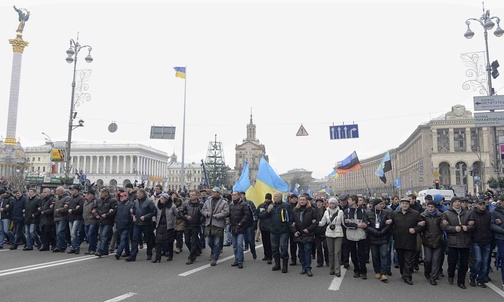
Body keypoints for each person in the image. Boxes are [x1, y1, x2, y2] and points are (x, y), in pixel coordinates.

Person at [441, 196, 474, 289]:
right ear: (452, 203)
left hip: (465, 241)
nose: (457, 203)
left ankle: (461, 281)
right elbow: (443, 227)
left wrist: (467, 227)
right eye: (455, 202)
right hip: (453, 241)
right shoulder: (446, 213)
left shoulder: (468, 213)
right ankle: (450, 274)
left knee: (464, 263)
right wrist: (454, 228)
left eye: (459, 201)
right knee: (452, 261)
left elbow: (473, 225)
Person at [391, 197, 421, 285]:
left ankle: (408, 276)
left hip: (410, 240)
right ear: (401, 204)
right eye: (403, 203)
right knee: (401, 260)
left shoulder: (415, 214)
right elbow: (391, 225)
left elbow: (421, 225)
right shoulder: (395, 213)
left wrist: (415, 229)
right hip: (399, 240)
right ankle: (403, 273)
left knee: (409, 260)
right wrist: (394, 232)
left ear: (409, 204)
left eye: (406, 204)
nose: (404, 205)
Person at [263, 191, 294, 273]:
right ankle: (277, 264)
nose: (274, 198)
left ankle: (284, 265)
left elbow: (291, 216)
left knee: (283, 247)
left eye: (276, 196)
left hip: (283, 230)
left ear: (280, 197)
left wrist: (289, 226)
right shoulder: (271, 206)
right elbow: (263, 216)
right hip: (273, 230)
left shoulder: (286, 206)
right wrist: (268, 211)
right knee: (274, 248)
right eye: (274, 196)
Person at [291, 194, 319, 277]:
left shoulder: (312, 210)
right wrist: (294, 231)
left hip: (308, 234)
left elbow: (316, 222)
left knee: (307, 250)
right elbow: (291, 222)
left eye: (303, 200)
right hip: (299, 234)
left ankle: (308, 268)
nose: (302, 201)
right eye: (301, 200)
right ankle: (303, 267)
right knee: (301, 251)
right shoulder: (295, 210)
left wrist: (309, 229)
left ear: (307, 201)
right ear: (299, 201)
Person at [126, 188, 157, 262]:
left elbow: (154, 211)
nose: (137, 194)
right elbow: (132, 210)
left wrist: (146, 217)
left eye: (138, 193)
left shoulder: (149, 201)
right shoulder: (135, 201)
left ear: (142, 194)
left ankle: (149, 253)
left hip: (146, 223)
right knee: (134, 238)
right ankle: (133, 255)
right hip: (137, 223)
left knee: (148, 238)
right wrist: (133, 216)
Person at [365, 198, 392, 283]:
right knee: (375, 255)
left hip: (383, 237)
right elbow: (367, 225)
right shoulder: (368, 213)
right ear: (375, 205)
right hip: (373, 237)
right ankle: (377, 271)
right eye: (380, 204)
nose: (382, 205)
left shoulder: (386, 213)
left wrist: (382, 232)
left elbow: (389, 224)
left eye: (382, 204)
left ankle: (383, 273)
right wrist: (375, 232)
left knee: (383, 254)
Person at [418, 200, 444, 285]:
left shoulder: (440, 216)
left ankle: (433, 277)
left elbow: (443, 227)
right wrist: (419, 224)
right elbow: (420, 228)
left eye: (432, 207)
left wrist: (445, 224)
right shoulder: (423, 216)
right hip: (427, 241)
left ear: (435, 208)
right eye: (429, 207)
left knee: (436, 260)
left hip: (438, 240)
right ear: (426, 207)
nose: (430, 208)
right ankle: (427, 271)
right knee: (428, 260)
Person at [201, 187, 229, 266]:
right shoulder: (208, 201)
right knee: (209, 241)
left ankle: (214, 258)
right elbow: (203, 210)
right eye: (212, 192)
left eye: (215, 192)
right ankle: (214, 251)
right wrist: (207, 214)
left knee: (217, 242)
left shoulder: (224, 202)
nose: (213, 193)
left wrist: (218, 215)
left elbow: (226, 212)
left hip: (218, 224)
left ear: (218, 193)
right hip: (209, 223)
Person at [343, 195, 368, 279]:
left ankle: (363, 271)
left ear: (354, 201)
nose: (348, 201)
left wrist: (364, 224)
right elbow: (346, 223)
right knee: (353, 254)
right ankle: (356, 270)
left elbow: (366, 222)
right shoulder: (346, 211)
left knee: (362, 254)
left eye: (349, 200)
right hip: (350, 235)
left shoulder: (363, 211)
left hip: (361, 235)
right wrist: (357, 225)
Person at [469, 198, 492, 288]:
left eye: (484, 204)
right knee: (478, 260)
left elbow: (492, 225)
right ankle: (473, 276)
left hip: (487, 240)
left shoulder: (489, 214)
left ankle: (481, 279)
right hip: (476, 241)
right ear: (476, 205)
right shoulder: (471, 214)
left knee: (485, 262)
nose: (482, 206)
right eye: (480, 204)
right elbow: (469, 226)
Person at [319, 197, 344, 276]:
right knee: (331, 252)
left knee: (337, 252)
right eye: (330, 203)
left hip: (338, 233)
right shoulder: (326, 212)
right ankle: (331, 268)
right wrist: (315, 222)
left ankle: (337, 270)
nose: (332, 205)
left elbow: (344, 223)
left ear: (336, 204)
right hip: (329, 233)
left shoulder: (340, 212)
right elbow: (323, 222)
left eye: (333, 203)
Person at [179, 190, 204, 265]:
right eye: (190, 195)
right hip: (187, 224)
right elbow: (180, 212)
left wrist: (200, 221)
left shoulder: (201, 204)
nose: (191, 196)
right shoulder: (186, 203)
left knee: (194, 241)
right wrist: (186, 217)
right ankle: (195, 251)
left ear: (196, 196)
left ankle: (191, 257)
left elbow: (203, 214)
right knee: (187, 241)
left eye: (193, 195)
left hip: (196, 225)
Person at [229, 191, 252, 269]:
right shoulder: (231, 205)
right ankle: (236, 259)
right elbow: (229, 214)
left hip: (241, 227)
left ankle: (240, 261)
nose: (233, 196)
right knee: (235, 245)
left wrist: (241, 223)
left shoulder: (244, 204)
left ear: (239, 196)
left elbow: (247, 215)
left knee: (239, 244)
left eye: (235, 195)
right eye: (232, 195)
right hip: (233, 227)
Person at [153, 193, 178, 262]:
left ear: (166, 200)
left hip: (169, 226)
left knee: (169, 241)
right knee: (158, 242)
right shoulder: (158, 206)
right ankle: (157, 257)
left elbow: (177, 215)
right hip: (160, 225)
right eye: (160, 198)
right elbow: (155, 214)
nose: (160, 199)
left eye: (162, 198)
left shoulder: (172, 206)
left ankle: (170, 255)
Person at [95, 187, 117, 257]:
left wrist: (107, 215)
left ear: (106, 193)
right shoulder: (99, 200)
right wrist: (97, 214)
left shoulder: (112, 200)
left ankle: (100, 251)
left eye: (102, 192)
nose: (101, 194)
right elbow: (96, 208)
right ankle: (105, 250)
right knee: (101, 236)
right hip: (101, 220)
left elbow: (114, 210)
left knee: (104, 235)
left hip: (108, 220)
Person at [114, 191, 134, 260]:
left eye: (122, 196)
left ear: (126, 196)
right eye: (120, 197)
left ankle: (118, 252)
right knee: (124, 239)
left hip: (127, 225)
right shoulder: (119, 204)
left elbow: (132, 214)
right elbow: (117, 214)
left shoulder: (130, 204)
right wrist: (116, 221)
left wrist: (132, 217)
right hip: (120, 224)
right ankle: (127, 251)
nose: (121, 198)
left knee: (123, 239)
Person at [490, 196, 504, 291]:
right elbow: (492, 225)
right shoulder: (495, 212)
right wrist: (502, 229)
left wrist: (501, 223)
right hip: (501, 238)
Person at [67, 185, 84, 254]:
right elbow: (68, 207)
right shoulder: (71, 198)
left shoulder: (80, 198)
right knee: (72, 234)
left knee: (74, 233)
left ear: (77, 190)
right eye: (71, 190)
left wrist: (72, 210)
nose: (72, 191)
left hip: (77, 217)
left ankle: (76, 247)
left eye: (73, 190)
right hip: (71, 217)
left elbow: (80, 209)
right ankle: (73, 247)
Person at [52, 186, 70, 253]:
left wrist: (59, 210)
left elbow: (66, 208)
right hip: (56, 217)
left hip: (63, 217)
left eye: (57, 191)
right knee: (58, 233)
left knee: (60, 232)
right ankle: (59, 246)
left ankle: (62, 245)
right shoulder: (57, 198)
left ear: (60, 191)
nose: (56, 192)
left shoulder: (67, 198)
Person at [257, 193, 273, 264]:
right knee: (264, 242)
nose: (267, 200)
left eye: (268, 199)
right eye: (266, 198)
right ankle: (266, 255)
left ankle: (270, 256)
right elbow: (258, 215)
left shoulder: (273, 206)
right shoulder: (261, 206)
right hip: (263, 226)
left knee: (269, 243)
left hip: (270, 227)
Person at [241, 191, 257, 260]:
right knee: (242, 240)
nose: (241, 196)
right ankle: (241, 256)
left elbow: (254, 212)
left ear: (244, 195)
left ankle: (253, 251)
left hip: (249, 224)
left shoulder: (249, 203)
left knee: (251, 239)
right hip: (241, 225)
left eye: (242, 195)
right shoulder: (236, 203)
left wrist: (254, 222)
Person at [82, 189, 99, 255]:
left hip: (93, 220)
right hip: (86, 220)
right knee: (88, 235)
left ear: (91, 195)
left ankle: (93, 249)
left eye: (88, 194)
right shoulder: (85, 201)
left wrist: (95, 212)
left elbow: (97, 208)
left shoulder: (95, 201)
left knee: (91, 234)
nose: (86, 195)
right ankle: (91, 248)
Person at [314, 198, 329, 267]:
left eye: (320, 202)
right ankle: (320, 262)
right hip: (317, 232)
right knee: (318, 248)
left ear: (323, 204)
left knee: (326, 247)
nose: (319, 204)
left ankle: (327, 261)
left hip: (325, 231)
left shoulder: (326, 211)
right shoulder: (314, 211)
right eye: (318, 202)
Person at [288, 194, 299, 266]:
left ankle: (301, 257)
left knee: (301, 244)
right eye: (292, 198)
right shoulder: (288, 206)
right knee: (292, 245)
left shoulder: (300, 206)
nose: (294, 199)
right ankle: (293, 259)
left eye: (295, 198)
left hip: (300, 227)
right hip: (291, 228)